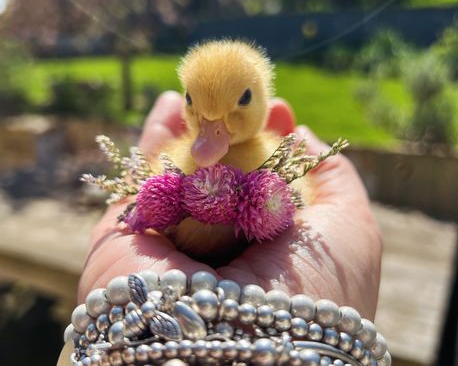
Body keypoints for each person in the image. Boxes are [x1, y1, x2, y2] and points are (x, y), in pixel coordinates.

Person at [57, 91, 382, 365]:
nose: (209, 137)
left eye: (241, 99)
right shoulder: (179, 163)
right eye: (193, 102)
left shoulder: (268, 173)